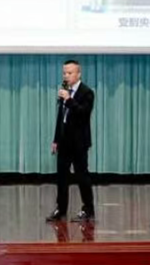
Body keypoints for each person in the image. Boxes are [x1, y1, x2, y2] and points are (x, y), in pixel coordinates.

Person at [46, 60, 96, 222]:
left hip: (79, 143)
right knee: (61, 177)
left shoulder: (87, 92)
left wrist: (69, 100)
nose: (66, 76)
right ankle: (61, 209)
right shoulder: (65, 90)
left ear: (78, 74)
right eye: (64, 73)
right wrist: (56, 139)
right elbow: (61, 117)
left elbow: (83, 114)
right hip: (64, 141)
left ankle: (88, 209)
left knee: (82, 176)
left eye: (70, 73)